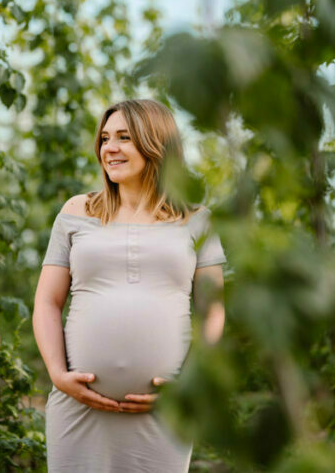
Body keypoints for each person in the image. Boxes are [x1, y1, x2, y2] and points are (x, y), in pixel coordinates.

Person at [31, 99, 226, 472]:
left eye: (124, 137)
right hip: (77, 409)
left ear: (157, 144)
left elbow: (212, 309)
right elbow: (47, 302)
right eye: (105, 138)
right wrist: (58, 374)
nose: (110, 148)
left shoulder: (198, 220)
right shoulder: (76, 212)